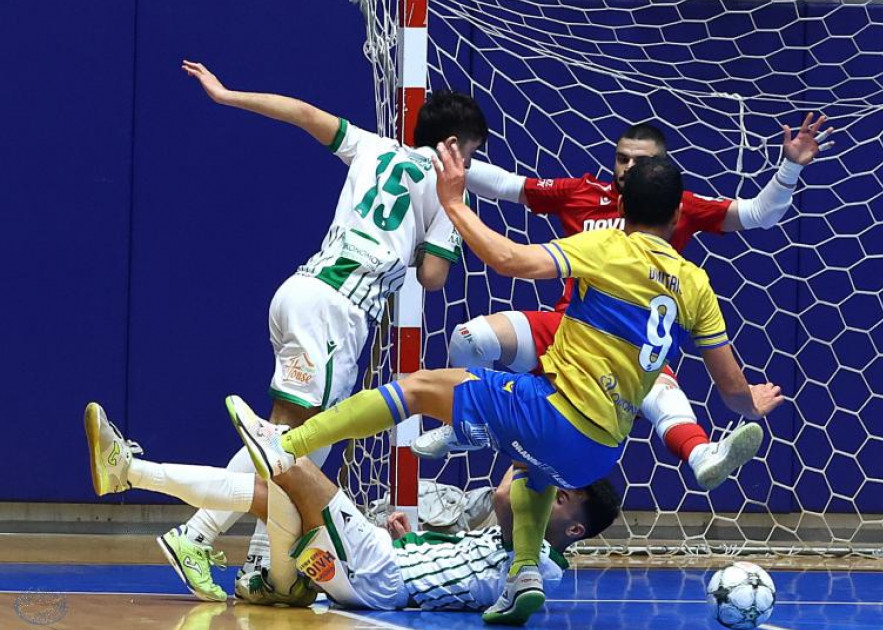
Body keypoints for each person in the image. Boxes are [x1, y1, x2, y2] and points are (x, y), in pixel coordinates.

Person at [225, 149, 785, 624]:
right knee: (535, 468)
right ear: (679, 211)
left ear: (621, 205)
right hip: (601, 452)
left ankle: (286, 445)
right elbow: (731, 387)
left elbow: (508, 259)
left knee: (418, 388)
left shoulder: (609, 246)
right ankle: (522, 573)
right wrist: (750, 403)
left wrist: (452, 204)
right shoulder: (695, 282)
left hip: (556, 415)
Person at [136, 61, 488, 601]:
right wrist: (450, 215)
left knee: (292, 440)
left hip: (299, 290)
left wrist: (228, 95)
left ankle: (263, 565)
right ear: (453, 148)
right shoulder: (447, 193)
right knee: (290, 445)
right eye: (471, 153)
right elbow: (433, 277)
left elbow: (303, 113)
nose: (470, 165)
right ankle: (195, 535)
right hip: (336, 312)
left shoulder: (372, 147)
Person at [416, 114, 834, 491]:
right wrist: (432, 156)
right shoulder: (582, 193)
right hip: (568, 329)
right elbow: (507, 185)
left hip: (631, 346)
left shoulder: (674, 205)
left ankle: (701, 453)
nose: (629, 168)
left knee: (660, 391)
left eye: (641, 161)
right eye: (622, 159)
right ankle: (466, 424)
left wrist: (790, 167)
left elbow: (759, 213)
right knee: (471, 337)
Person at [82, 403, 620, 612]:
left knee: (289, 463)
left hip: (379, 577)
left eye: (558, 493)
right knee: (272, 498)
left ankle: (276, 441)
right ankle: (127, 471)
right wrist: (413, 539)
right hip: (374, 564)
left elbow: (504, 501)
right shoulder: (519, 547)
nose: (541, 489)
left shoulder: (539, 566)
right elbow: (462, 562)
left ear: (574, 529)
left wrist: (537, 448)